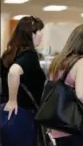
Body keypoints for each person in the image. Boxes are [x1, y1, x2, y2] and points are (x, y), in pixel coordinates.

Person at [0, 16, 46, 146]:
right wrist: (12, 100)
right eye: (39, 31)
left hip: (6, 115)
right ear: (31, 34)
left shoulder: (9, 54)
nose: (41, 35)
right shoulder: (30, 55)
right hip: (23, 115)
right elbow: (14, 72)